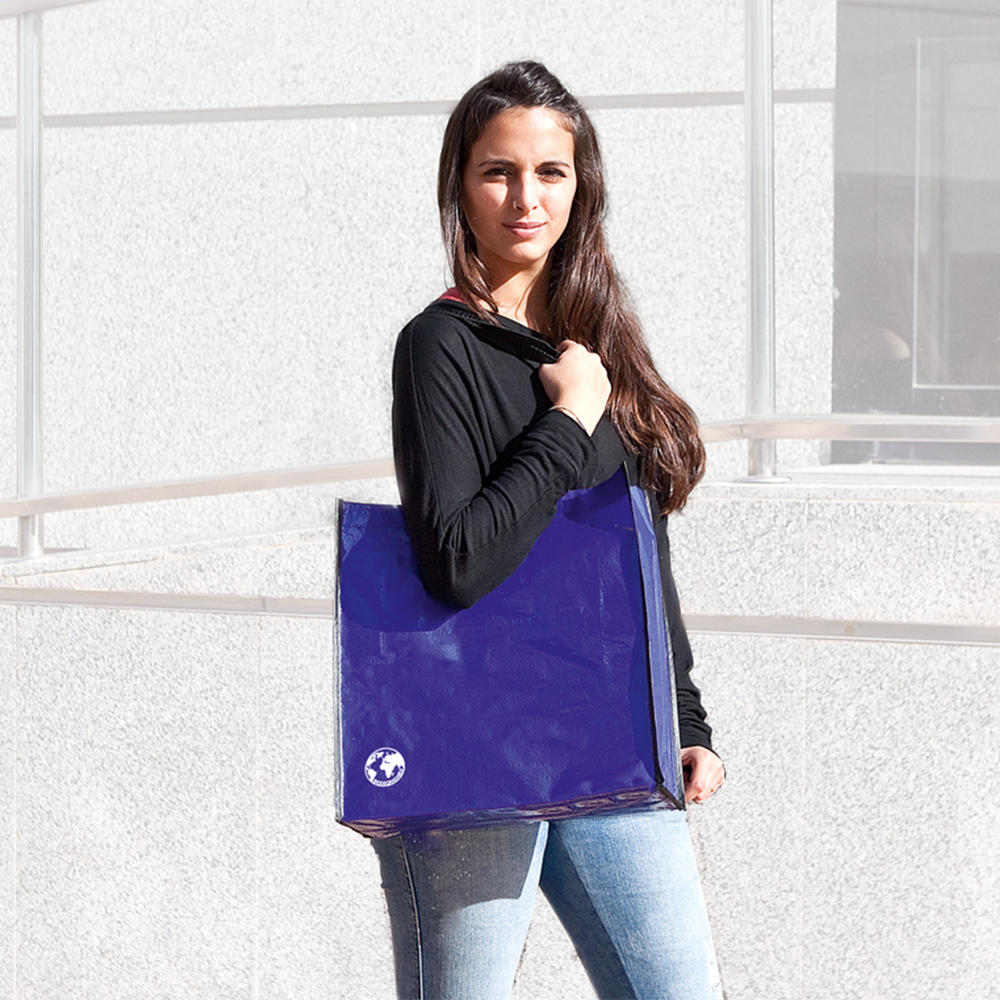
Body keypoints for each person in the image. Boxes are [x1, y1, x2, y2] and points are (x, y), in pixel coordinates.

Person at [373, 60, 725, 1000]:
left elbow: (635, 552)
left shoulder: (600, 345)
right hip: (475, 741)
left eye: (550, 172)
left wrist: (686, 719)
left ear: (581, 186)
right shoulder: (440, 345)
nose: (525, 198)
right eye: (498, 171)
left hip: (612, 733)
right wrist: (568, 419)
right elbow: (458, 559)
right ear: (460, 186)